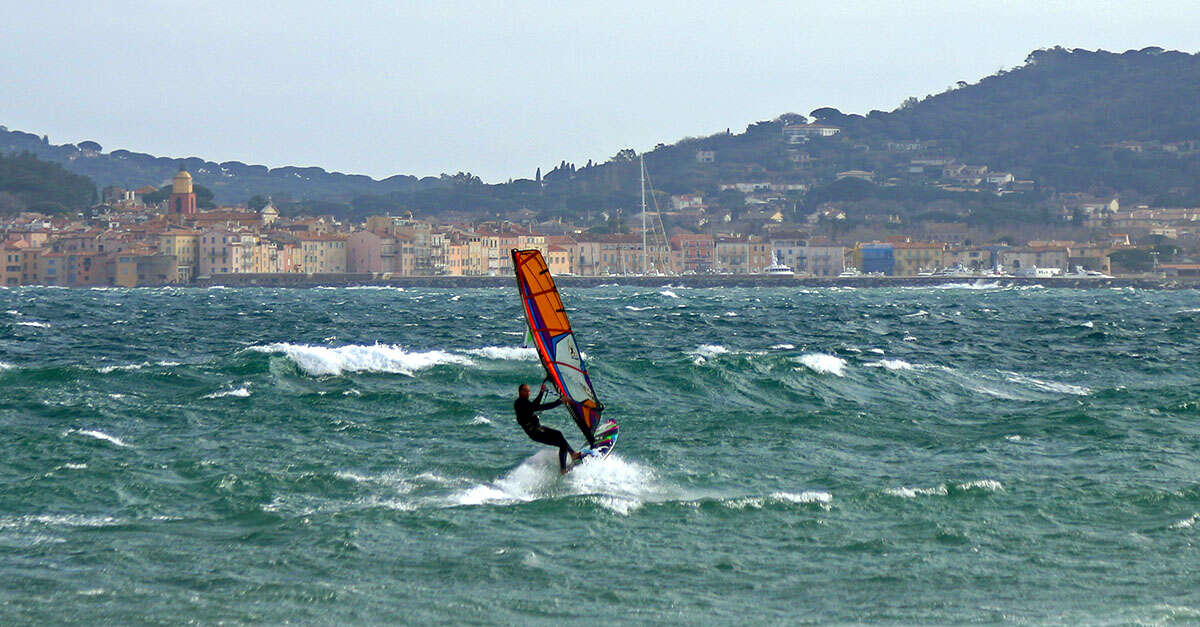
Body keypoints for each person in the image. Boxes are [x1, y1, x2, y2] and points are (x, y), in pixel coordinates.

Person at [514, 381, 582, 474]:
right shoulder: (520, 403)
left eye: (529, 391)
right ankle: (563, 469)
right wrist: (560, 401)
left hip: (537, 430)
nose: (528, 393)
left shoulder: (523, 402)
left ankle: (572, 454)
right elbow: (541, 406)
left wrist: (542, 392)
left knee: (560, 437)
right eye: (526, 391)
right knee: (561, 442)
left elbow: (535, 405)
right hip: (536, 432)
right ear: (520, 392)